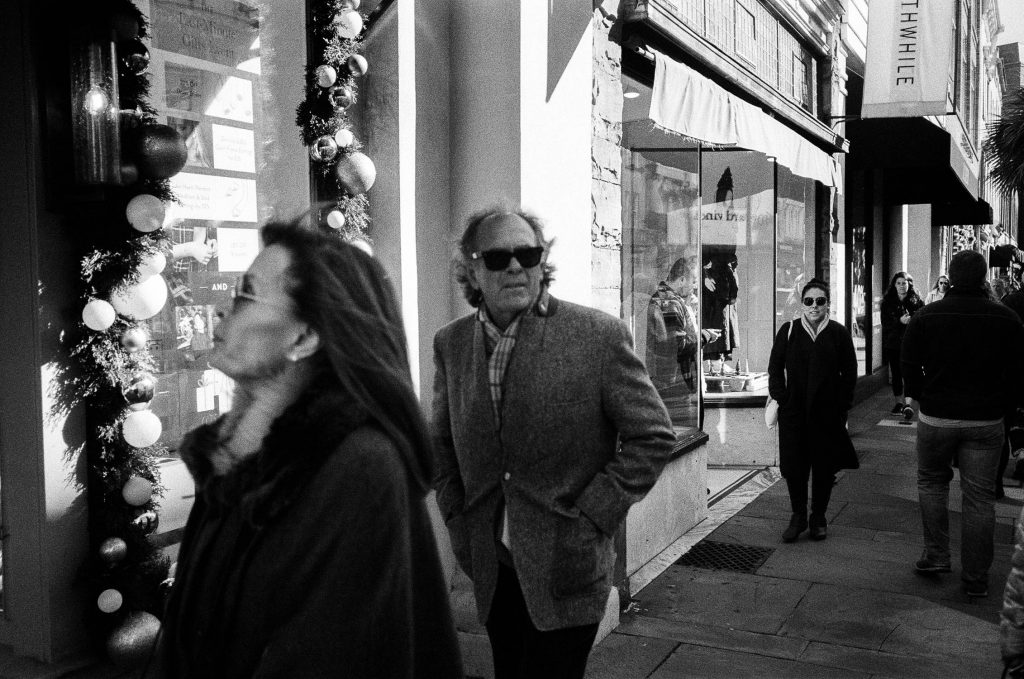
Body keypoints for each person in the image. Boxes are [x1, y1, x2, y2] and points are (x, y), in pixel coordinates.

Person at [151, 219, 463, 678]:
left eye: (244, 294)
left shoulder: (357, 465)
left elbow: (329, 654)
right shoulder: (232, 458)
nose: (220, 310)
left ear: (303, 338)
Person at [432, 206, 676, 679]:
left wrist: (591, 516)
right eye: (499, 257)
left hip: (568, 565)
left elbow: (653, 436)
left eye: (528, 254)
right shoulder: (452, 343)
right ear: (472, 269)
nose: (516, 267)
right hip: (492, 567)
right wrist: (457, 519)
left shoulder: (596, 336)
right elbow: (443, 444)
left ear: (543, 261)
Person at [902, 250, 1024, 598]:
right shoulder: (1007, 318)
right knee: (979, 499)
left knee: (932, 483)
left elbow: (908, 363)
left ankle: (937, 555)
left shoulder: (926, 316)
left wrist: (919, 396)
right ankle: (975, 578)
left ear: (951, 277)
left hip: (937, 416)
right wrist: (1005, 407)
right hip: (986, 420)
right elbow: (1018, 372)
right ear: (984, 276)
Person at [767, 278, 858, 543]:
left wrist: (842, 406)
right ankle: (797, 516)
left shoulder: (839, 334)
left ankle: (818, 517)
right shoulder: (789, 331)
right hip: (794, 413)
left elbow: (849, 373)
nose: (814, 306)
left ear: (828, 303)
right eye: (809, 301)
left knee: (823, 468)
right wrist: (783, 399)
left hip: (827, 414)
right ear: (801, 303)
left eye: (820, 301)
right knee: (794, 467)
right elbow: (774, 369)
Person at [647, 257, 719, 390]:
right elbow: (678, 345)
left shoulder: (667, 298)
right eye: (694, 281)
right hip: (675, 384)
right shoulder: (670, 302)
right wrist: (704, 335)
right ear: (681, 280)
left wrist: (689, 309)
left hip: (671, 380)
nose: (695, 286)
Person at [880, 271, 924, 418]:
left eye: (904, 283)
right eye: (898, 283)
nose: (901, 286)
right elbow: (885, 324)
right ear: (894, 285)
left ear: (909, 284)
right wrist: (899, 321)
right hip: (893, 343)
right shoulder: (887, 302)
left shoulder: (916, 300)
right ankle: (899, 402)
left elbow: (922, 321)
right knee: (896, 373)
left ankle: (909, 404)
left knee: (910, 373)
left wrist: (912, 322)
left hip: (911, 343)